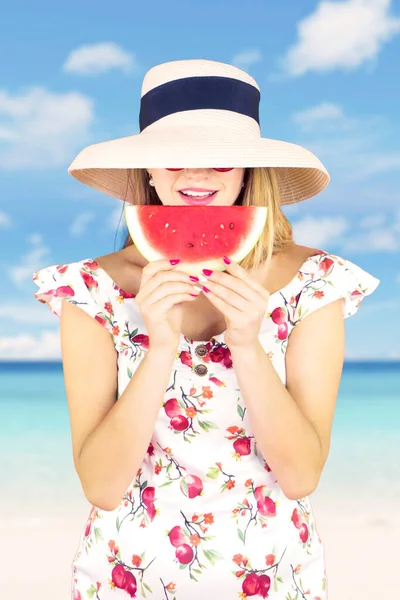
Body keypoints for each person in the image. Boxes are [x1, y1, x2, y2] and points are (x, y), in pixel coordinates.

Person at [32, 59, 380, 600]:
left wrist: (247, 343)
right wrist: (159, 347)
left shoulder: (315, 284)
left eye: (220, 161)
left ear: (248, 171)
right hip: (124, 581)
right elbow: (101, 486)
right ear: (147, 168)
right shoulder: (89, 291)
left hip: (277, 580)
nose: (195, 178)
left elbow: (301, 476)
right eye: (173, 159)